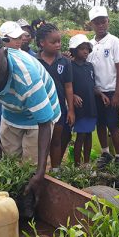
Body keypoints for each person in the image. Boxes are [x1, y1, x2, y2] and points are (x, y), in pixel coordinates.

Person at [0, 29, 60, 209]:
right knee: (12, 165)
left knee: (32, 168)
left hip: (38, 117)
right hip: (10, 111)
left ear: (5, 52)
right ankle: (17, 204)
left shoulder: (26, 75)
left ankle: (35, 209)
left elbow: (45, 124)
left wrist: (40, 173)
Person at [87, 6, 119, 168]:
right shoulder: (88, 44)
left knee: (113, 124)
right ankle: (105, 153)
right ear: (91, 24)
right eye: (97, 22)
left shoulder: (114, 41)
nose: (101, 25)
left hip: (110, 92)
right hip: (95, 92)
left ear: (108, 21)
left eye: (103, 21)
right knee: (100, 124)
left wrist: (117, 94)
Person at [35, 23, 75, 172]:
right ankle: (40, 169)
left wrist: (71, 110)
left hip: (58, 108)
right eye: (53, 42)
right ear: (42, 43)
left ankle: (56, 170)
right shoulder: (34, 62)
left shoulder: (65, 62)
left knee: (57, 140)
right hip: (39, 108)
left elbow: (68, 86)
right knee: (41, 141)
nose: (58, 45)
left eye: (59, 41)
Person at [68, 34, 98, 165]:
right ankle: (77, 164)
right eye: (82, 48)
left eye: (87, 49)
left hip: (90, 105)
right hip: (79, 108)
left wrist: (101, 94)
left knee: (89, 134)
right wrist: (73, 95)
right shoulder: (70, 66)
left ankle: (86, 163)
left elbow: (92, 85)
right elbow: (67, 86)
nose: (85, 51)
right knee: (81, 135)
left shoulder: (90, 66)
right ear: (74, 50)